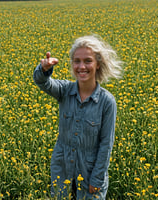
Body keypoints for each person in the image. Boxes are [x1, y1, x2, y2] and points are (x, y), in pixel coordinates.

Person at [33, 35, 123, 199]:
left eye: (88, 61)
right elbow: (42, 82)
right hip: (62, 169)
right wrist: (44, 70)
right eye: (77, 61)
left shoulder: (107, 102)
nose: (82, 66)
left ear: (98, 64)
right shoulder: (64, 90)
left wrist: (96, 179)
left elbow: (106, 145)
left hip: (90, 173)